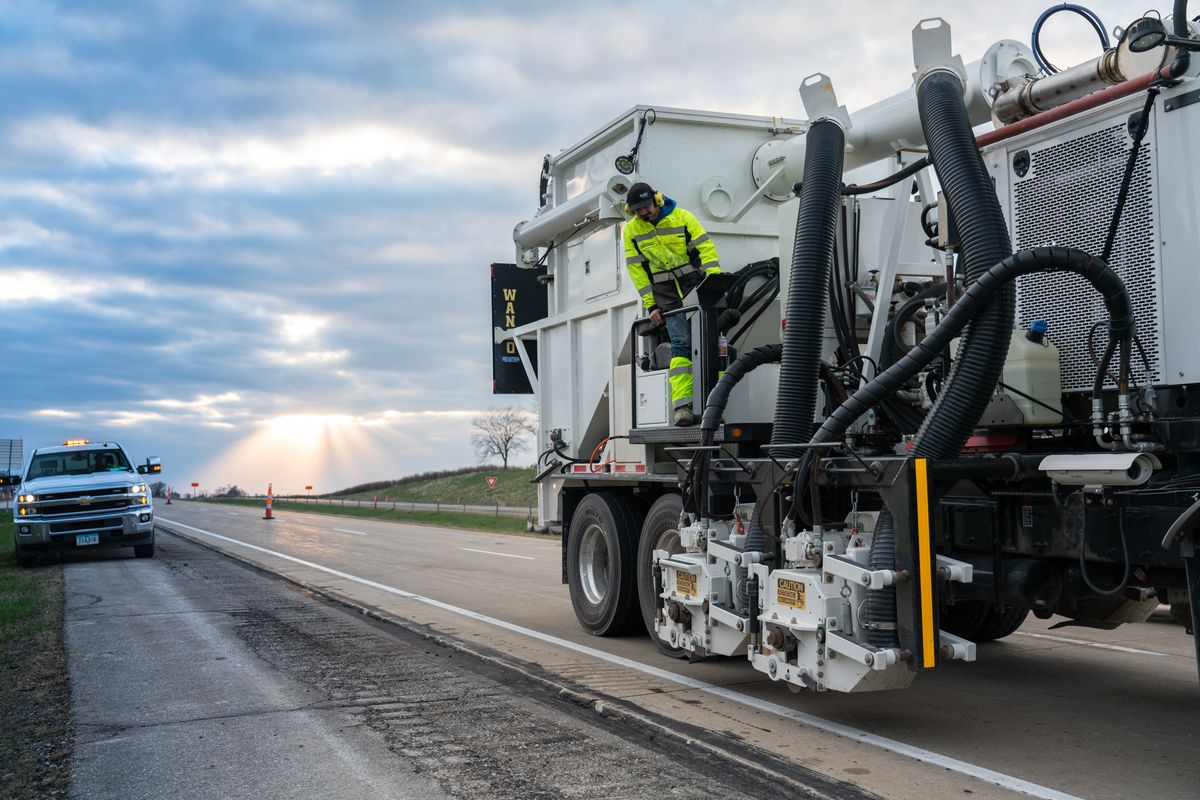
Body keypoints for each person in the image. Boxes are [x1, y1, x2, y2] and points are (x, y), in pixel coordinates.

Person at [622, 182, 721, 426]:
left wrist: (715, 285)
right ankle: (683, 407)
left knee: (711, 342)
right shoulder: (631, 231)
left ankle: (717, 403)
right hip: (665, 294)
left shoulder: (683, 217)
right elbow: (637, 271)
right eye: (637, 210)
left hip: (694, 286)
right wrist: (651, 306)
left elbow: (705, 249)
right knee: (681, 343)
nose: (643, 213)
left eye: (645, 207)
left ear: (656, 199)